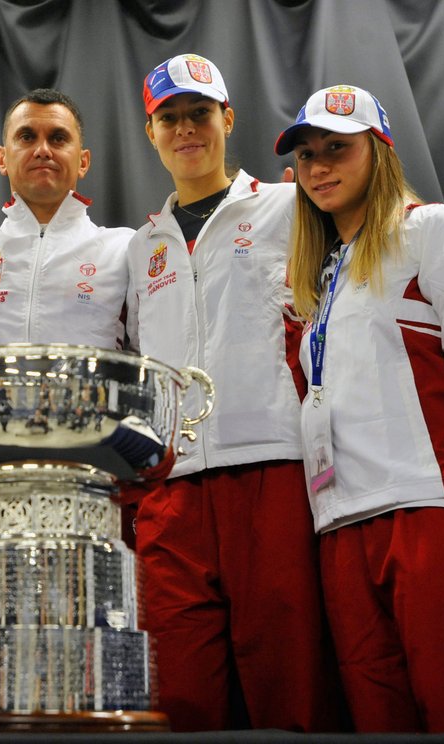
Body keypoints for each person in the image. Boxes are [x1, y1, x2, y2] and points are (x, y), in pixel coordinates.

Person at [275, 84, 444, 743]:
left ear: (381, 149)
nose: (319, 166)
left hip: (432, 519)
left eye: (338, 147)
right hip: (340, 534)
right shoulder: (317, 281)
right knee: (380, 727)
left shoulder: (432, 230)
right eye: (306, 156)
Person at [124, 53, 345, 732]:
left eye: (199, 113)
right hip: (174, 489)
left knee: (289, 682)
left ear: (228, 119)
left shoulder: (291, 204)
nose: (186, 129)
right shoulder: (141, 247)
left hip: (270, 473)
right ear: (152, 133)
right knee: (178, 694)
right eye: (170, 118)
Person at [0, 88, 132, 350]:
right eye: (26, 137)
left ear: (83, 161)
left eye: (58, 138)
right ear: (2, 159)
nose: (42, 150)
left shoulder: (124, 249)